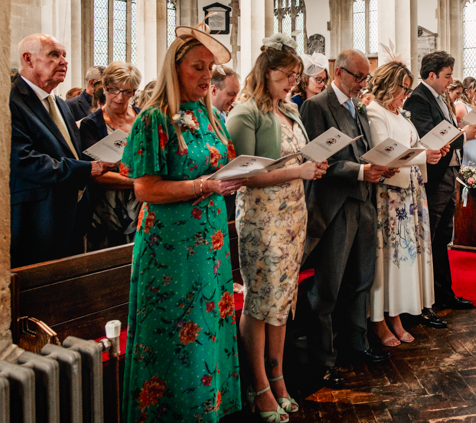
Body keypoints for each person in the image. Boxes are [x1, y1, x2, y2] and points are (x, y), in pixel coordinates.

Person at [119, 24, 245, 422]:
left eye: (210, 68)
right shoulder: (154, 120)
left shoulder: (210, 117)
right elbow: (145, 189)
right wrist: (204, 185)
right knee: (176, 330)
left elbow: (219, 164)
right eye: (197, 68)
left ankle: (208, 408)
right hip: (171, 245)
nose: (207, 76)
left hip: (210, 239)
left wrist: (236, 173)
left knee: (209, 322)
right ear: (175, 69)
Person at [226, 34, 329, 421]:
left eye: (296, 76)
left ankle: (278, 376)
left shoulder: (289, 109)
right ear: (266, 72)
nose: (292, 83)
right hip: (261, 217)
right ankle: (259, 386)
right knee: (259, 302)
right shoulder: (245, 111)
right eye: (287, 75)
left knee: (282, 302)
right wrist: (297, 171)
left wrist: (312, 165)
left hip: (292, 214)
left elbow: (297, 154)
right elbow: (244, 175)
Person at [299, 49, 395, 387]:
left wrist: (381, 166)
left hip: (364, 201)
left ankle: (356, 345)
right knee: (326, 289)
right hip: (335, 206)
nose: (363, 83)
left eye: (366, 77)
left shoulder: (360, 108)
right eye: (359, 76)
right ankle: (322, 360)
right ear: (339, 73)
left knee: (361, 279)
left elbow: (365, 151)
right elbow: (316, 162)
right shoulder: (316, 106)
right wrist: (360, 171)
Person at [10, 34, 115, 267]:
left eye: (64, 55)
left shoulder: (58, 104)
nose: (64, 61)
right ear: (28, 59)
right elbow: (24, 160)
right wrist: (88, 168)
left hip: (71, 215)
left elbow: (71, 152)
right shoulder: (12, 100)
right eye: (54, 55)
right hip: (36, 219)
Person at [365, 61, 442, 347]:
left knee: (405, 259)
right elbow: (384, 154)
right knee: (389, 260)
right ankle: (380, 320)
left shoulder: (400, 114)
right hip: (390, 197)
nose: (406, 95)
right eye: (403, 88)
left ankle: (397, 315)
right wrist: (423, 155)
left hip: (410, 194)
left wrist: (431, 150)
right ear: (389, 85)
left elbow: (413, 144)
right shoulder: (375, 112)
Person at [404, 52, 476, 322]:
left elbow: (444, 129)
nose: (449, 81)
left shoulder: (440, 98)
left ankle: (444, 292)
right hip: (434, 174)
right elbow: (427, 136)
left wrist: (459, 130)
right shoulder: (418, 98)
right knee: (431, 236)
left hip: (449, 170)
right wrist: (462, 136)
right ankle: (428, 299)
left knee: (442, 236)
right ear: (431, 74)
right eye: (446, 76)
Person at [78, 61, 142, 250]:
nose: (120, 97)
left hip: (140, 202)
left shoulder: (141, 117)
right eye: (114, 90)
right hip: (105, 206)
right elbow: (93, 172)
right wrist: (137, 181)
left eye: (128, 92)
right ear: (104, 88)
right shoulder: (91, 124)